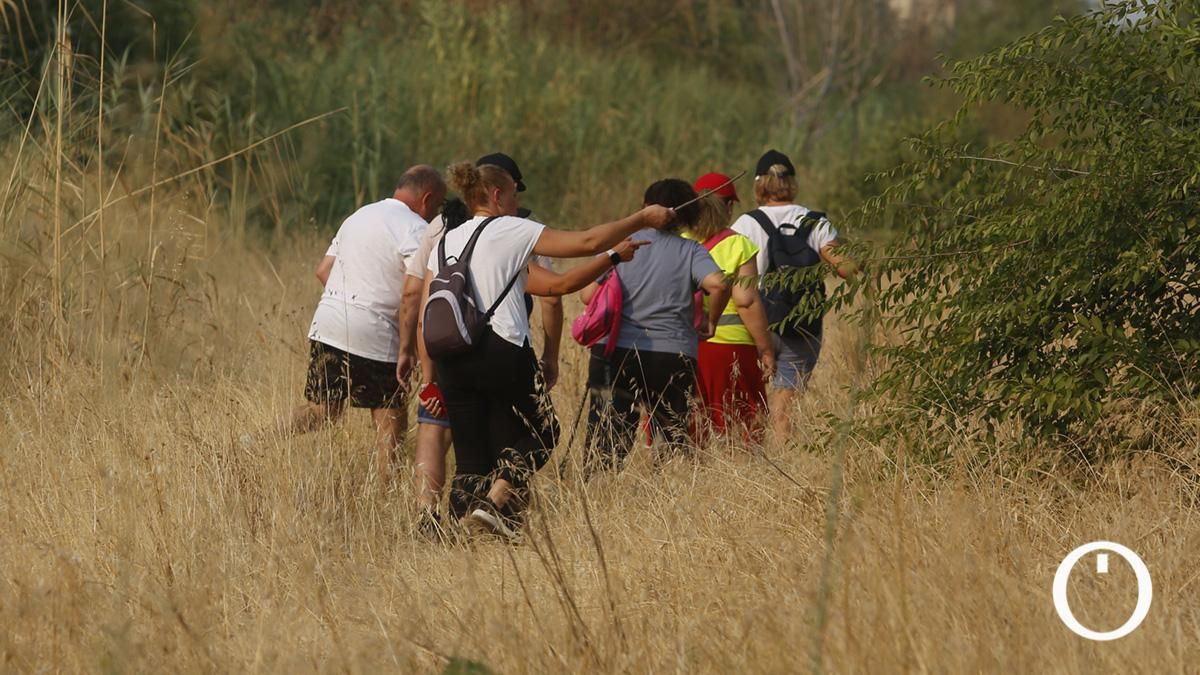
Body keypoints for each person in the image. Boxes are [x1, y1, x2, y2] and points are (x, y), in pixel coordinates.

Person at [421, 160, 673, 540]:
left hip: (451, 358)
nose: (516, 201)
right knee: (543, 432)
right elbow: (586, 243)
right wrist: (641, 218)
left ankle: (464, 534)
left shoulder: (446, 241)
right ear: (496, 194)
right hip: (500, 348)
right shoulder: (510, 230)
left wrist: (614, 258)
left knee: (471, 456)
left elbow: (556, 286)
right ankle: (494, 501)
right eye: (513, 193)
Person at [282, 165, 446, 481]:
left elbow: (323, 270)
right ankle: (384, 496)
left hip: (329, 321)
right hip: (376, 330)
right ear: (426, 198)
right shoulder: (416, 229)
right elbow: (414, 293)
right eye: (437, 206)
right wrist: (408, 346)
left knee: (322, 411)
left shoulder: (358, 215)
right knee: (389, 421)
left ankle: (252, 443)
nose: (435, 214)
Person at [580, 179, 731, 474]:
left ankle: (600, 490)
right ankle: (666, 496)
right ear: (688, 215)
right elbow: (719, 284)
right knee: (672, 436)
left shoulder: (621, 246)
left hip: (615, 353)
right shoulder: (690, 251)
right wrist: (711, 321)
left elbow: (587, 295)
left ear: (644, 207)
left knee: (607, 440)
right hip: (672, 354)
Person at [730, 149, 857, 438]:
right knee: (785, 401)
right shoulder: (815, 221)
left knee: (753, 396)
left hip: (755, 319)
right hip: (802, 321)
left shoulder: (745, 224)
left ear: (759, 184)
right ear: (792, 183)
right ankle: (784, 452)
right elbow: (846, 269)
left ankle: (753, 458)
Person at [684, 173, 777, 443]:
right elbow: (746, 301)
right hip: (731, 349)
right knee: (740, 429)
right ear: (728, 208)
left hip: (682, 345)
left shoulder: (678, 240)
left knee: (688, 428)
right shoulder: (737, 244)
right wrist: (766, 348)